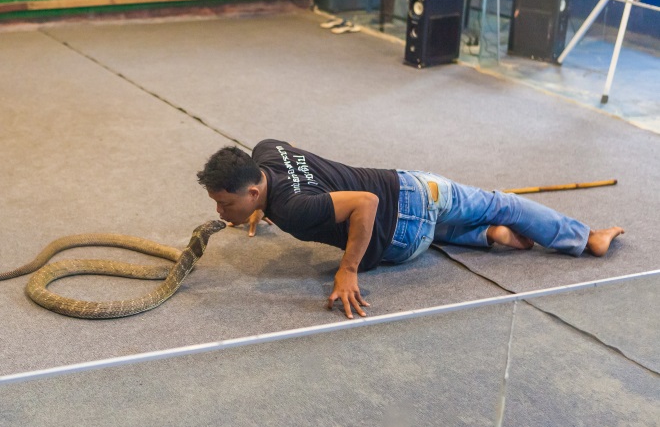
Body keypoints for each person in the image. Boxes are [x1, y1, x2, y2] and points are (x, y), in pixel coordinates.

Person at [197, 140, 624, 320]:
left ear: (254, 190)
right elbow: (355, 196)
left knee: (499, 206)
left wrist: (348, 269)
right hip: (411, 203)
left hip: (400, 238)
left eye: (227, 203)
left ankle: (561, 238)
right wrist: (255, 210)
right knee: (486, 205)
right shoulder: (267, 151)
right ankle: (493, 234)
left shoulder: (293, 209)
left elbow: (366, 204)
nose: (220, 210)